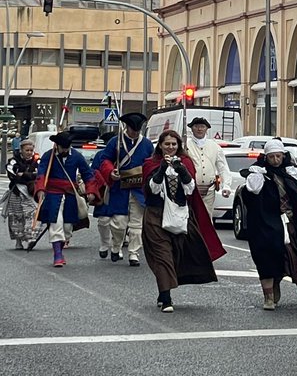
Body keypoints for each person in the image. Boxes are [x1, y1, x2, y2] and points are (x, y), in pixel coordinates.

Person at [141, 130, 225, 312]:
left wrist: (182, 171)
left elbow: (190, 189)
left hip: (179, 215)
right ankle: (166, 298)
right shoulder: (151, 163)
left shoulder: (186, 163)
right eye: (167, 144)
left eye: (174, 144)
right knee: (162, 254)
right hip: (156, 215)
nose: (170, 148)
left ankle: (163, 289)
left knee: (176, 253)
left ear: (178, 146)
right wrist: (162, 168)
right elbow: (152, 189)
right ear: (160, 146)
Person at [242, 139, 297, 310]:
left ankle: (279, 280)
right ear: (266, 157)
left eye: (278, 156)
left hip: (290, 222)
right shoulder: (260, 174)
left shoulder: (290, 173)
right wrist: (258, 172)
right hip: (266, 224)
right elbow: (253, 191)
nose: (276, 160)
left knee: (291, 255)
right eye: (272, 157)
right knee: (266, 257)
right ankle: (268, 296)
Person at [86, 112, 153, 266]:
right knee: (119, 224)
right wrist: (111, 172)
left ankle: (133, 253)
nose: (135, 133)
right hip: (119, 187)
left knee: (137, 225)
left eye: (138, 130)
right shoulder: (115, 142)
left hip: (138, 189)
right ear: (126, 127)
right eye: (132, 129)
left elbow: (151, 162)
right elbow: (105, 160)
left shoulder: (147, 144)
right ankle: (116, 246)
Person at [34, 132, 91, 267]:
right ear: (57, 145)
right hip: (53, 195)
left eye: (67, 147)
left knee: (66, 227)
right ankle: (57, 255)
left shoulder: (77, 156)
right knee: (56, 223)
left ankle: (62, 245)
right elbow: (41, 173)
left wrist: (91, 191)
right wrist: (40, 189)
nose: (65, 150)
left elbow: (87, 174)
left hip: (70, 195)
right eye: (63, 147)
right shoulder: (48, 156)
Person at [185, 117, 231, 216]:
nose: (199, 129)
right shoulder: (185, 146)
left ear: (206, 129)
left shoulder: (215, 147)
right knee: (190, 217)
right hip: (190, 189)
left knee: (206, 217)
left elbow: (222, 168)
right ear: (191, 128)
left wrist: (226, 185)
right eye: (196, 126)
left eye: (202, 126)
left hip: (209, 190)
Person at [5, 138, 39, 249]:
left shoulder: (37, 161)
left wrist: (22, 174)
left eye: (31, 150)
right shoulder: (13, 161)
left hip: (30, 192)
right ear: (21, 150)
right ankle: (18, 241)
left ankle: (30, 238)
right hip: (16, 192)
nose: (29, 152)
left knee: (31, 214)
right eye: (27, 150)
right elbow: (12, 174)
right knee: (16, 216)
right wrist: (30, 175)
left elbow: (39, 175)